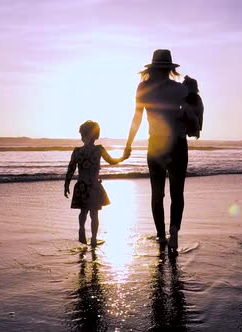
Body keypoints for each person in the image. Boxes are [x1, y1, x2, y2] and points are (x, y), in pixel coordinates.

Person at [124, 49, 190, 254]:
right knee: (177, 193)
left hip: (156, 145)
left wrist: (128, 144)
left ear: (152, 68)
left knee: (157, 193)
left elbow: (137, 118)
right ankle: (174, 231)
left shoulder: (143, 87)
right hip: (178, 143)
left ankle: (161, 235)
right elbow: (191, 115)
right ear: (170, 69)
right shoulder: (180, 89)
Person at [65, 120, 129, 248]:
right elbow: (111, 161)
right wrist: (123, 157)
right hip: (94, 186)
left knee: (83, 212)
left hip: (81, 185)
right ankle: (93, 239)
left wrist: (66, 184)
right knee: (94, 214)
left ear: (83, 135)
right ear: (95, 136)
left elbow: (71, 168)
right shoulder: (99, 149)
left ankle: (81, 229)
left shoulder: (77, 151)